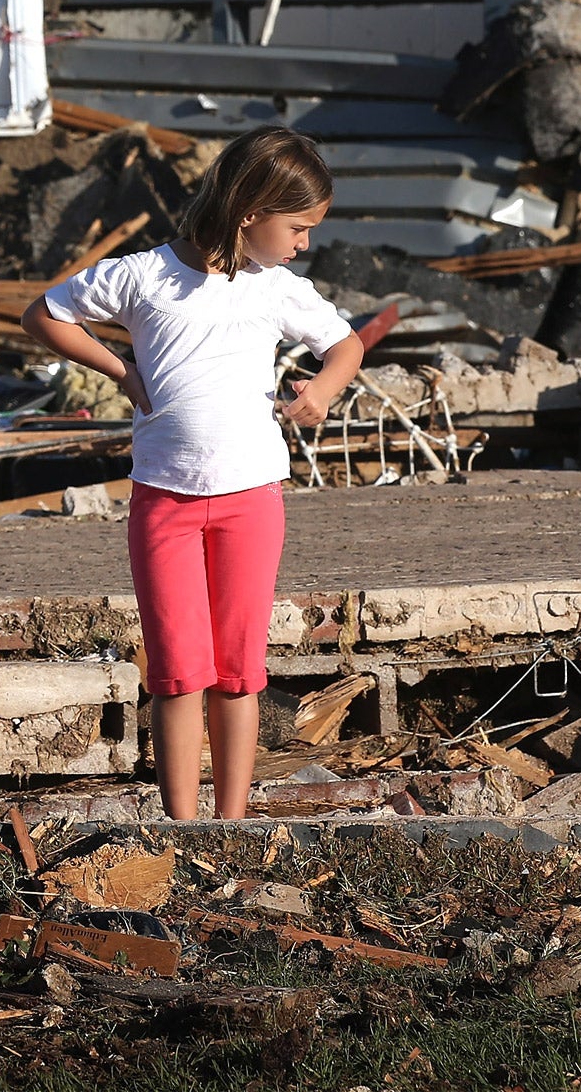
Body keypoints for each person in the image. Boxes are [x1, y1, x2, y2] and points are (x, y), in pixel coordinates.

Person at [21, 126, 363, 819]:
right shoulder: (144, 275)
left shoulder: (278, 290)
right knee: (177, 675)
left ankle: (229, 823)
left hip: (250, 505)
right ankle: (182, 826)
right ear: (249, 212)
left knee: (238, 675)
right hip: (164, 506)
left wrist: (322, 392)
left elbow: (346, 345)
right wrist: (121, 369)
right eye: (297, 227)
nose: (303, 244)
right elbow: (45, 313)